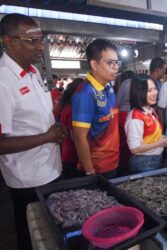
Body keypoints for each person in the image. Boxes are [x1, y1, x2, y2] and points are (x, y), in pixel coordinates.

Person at [0, 14, 65, 250]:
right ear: (8, 41)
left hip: (49, 168)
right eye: (31, 41)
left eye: (40, 39)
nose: (39, 47)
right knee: (32, 232)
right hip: (26, 177)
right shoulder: (3, 81)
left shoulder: (33, 72)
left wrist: (55, 129)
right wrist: (47, 137)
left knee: (52, 230)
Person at [72, 39, 120, 178]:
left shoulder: (108, 87)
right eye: (110, 63)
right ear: (94, 64)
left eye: (117, 62)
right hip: (98, 168)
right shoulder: (85, 94)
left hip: (113, 161)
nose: (116, 67)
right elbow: (79, 137)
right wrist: (90, 172)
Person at [125, 74, 167, 174]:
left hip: (153, 159)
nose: (154, 93)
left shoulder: (150, 110)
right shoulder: (136, 117)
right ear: (138, 93)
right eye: (149, 91)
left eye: (154, 89)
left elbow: (148, 135)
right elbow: (134, 148)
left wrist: (160, 138)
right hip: (144, 162)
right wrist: (159, 143)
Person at [60, 78, 84, 178]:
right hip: (73, 155)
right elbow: (75, 138)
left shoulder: (66, 107)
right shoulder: (72, 110)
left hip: (66, 153)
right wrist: (83, 159)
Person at [115, 70, 135, 176]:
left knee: (124, 143)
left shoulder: (125, 83)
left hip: (123, 114)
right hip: (134, 113)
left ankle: (124, 168)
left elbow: (117, 101)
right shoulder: (136, 83)